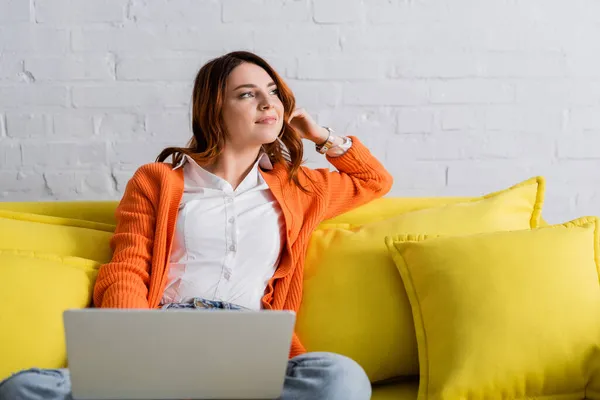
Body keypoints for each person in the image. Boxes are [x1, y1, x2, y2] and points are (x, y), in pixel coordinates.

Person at [0, 51, 393, 400]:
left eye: (272, 91)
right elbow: (128, 266)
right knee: (24, 388)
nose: (267, 102)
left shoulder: (298, 187)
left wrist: (321, 136)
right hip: (164, 334)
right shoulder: (158, 180)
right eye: (247, 94)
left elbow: (375, 180)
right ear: (214, 109)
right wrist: (128, 348)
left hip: (252, 347)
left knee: (341, 378)